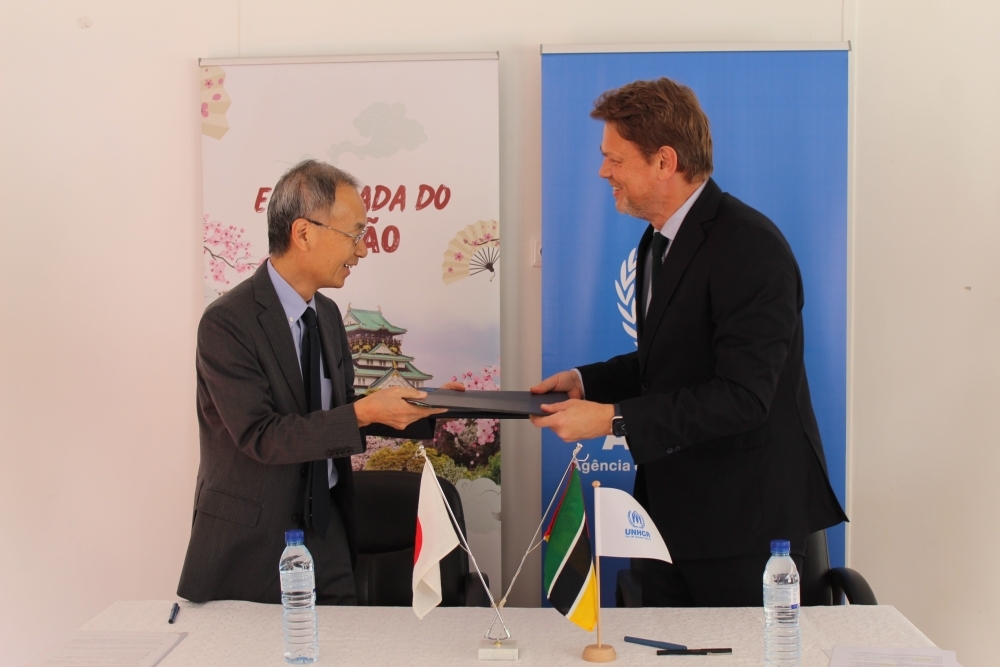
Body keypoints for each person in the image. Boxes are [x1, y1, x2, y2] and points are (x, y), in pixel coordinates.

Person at [530, 78, 847, 607]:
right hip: (669, 522)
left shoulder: (750, 246)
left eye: (615, 159)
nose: (603, 172)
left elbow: (743, 396)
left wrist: (612, 419)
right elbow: (673, 360)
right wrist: (587, 383)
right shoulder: (656, 241)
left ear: (664, 161)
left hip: (746, 530)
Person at [177, 160, 460, 604]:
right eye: (355, 234)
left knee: (341, 641)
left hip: (328, 532)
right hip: (251, 546)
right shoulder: (227, 323)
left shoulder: (326, 315)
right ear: (304, 233)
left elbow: (336, 410)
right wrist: (362, 412)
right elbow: (261, 435)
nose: (362, 251)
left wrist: (427, 405)